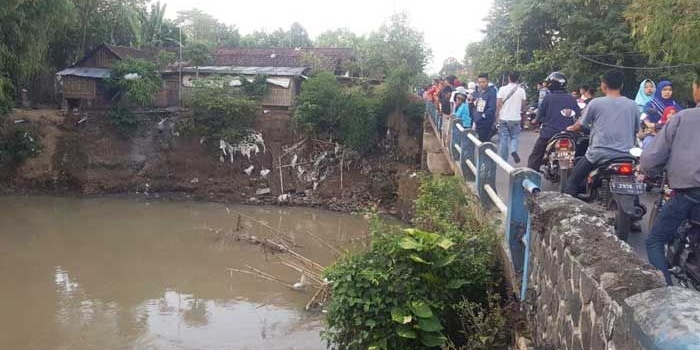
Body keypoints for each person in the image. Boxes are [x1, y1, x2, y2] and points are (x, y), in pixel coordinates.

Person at [640, 74, 700, 286]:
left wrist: (645, 170)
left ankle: (666, 296)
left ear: (697, 90)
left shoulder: (682, 117)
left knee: (654, 241)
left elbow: (653, 156)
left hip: (690, 194)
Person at [564, 70, 640, 196]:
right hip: (626, 156)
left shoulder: (596, 103)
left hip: (599, 154)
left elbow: (580, 125)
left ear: (603, 85)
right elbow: (637, 129)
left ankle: (567, 211)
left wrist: (570, 128)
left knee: (572, 181)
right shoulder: (633, 105)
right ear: (621, 86)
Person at [527, 72, 581, 171]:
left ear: (552, 84)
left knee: (535, 156)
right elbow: (578, 115)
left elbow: (539, 115)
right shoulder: (572, 98)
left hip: (549, 134)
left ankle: (530, 179)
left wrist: (534, 121)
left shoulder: (548, 98)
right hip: (570, 134)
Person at [496, 71, 527, 163]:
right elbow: (523, 105)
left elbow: (498, 104)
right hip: (516, 118)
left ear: (509, 78)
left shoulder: (502, 89)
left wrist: (497, 115)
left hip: (504, 117)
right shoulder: (521, 90)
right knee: (514, 137)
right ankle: (513, 150)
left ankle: (503, 160)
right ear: (518, 78)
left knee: (504, 139)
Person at [473, 73, 497, 142]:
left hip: (485, 122)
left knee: (484, 143)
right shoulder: (480, 92)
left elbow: (492, 108)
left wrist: (482, 116)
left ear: (487, 81)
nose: (481, 84)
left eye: (483, 82)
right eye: (479, 82)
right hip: (479, 121)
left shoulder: (491, 93)